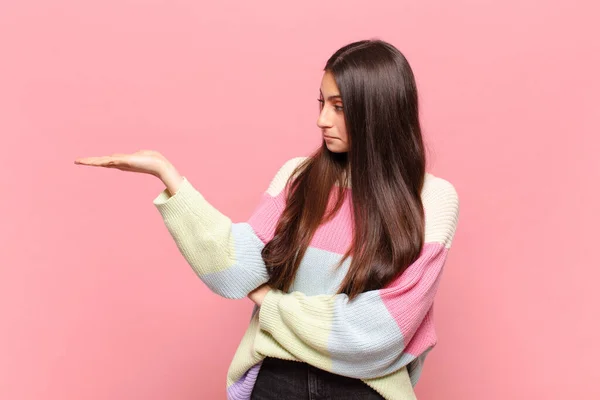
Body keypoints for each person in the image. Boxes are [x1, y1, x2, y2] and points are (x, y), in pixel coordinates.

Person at [74, 39, 460, 400]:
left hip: (365, 389)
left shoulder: (432, 200)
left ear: (378, 110)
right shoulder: (299, 178)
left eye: (339, 107)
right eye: (321, 102)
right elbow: (234, 267)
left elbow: (379, 331)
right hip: (277, 382)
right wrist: (168, 175)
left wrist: (270, 303)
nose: (322, 120)